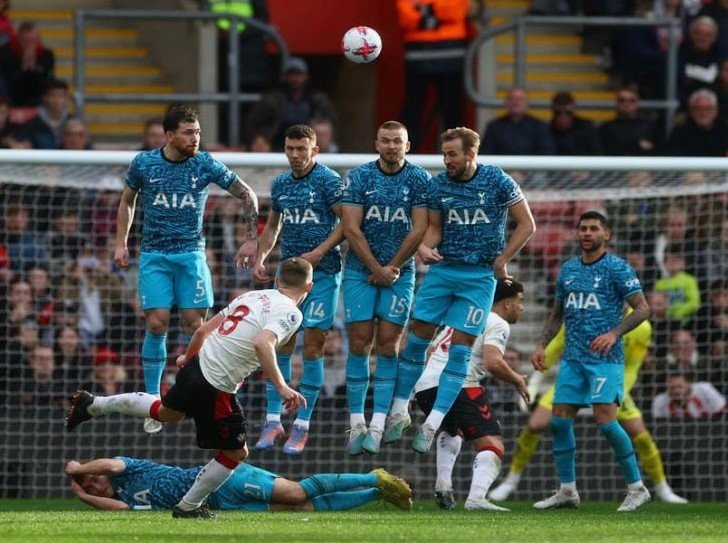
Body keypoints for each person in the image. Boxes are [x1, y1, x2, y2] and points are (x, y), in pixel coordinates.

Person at [65, 257, 313, 519]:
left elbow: (203, 330)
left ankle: (95, 404)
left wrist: (187, 357)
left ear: (276, 281)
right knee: (236, 452)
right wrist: (283, 386)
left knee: (166, 413)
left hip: (197, 366)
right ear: (308, 287)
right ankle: (188, 506)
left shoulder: (253, 295)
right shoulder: (291, 313)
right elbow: (263, 343)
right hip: (217, 384)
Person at [382, 126, 535, 454]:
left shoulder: (497, 180)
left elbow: (527, 224)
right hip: (444, 272)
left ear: (471, 154)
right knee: (416, 339)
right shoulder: (438, 185)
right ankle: (398, 412)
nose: (447, 159)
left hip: (480, 278)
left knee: (461, 351)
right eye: (444, 153)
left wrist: (503, 260)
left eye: (453, 154)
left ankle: (432, 424)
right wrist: (424, 248)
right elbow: (434, 229)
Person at [113, 104, 260, 435]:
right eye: (188, 132)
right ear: (169, 135)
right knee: (156, 323)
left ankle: (208, 395)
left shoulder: (204, 163)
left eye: (198, 132)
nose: (195, 138)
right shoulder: (145, 163)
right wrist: (121, 242)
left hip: (192, 255)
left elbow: (246, 192)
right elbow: (127, 199)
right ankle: (153, 398)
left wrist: (252, 239)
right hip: (154, 255)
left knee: (197, 325)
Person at [489, 319, 688, 504]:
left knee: (639, 433)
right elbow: (556, 345)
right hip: (576, 378)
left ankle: (662, 488)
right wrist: (535, 382)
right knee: (536, 424)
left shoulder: (640, 326)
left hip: (612, 380)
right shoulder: (582, 312)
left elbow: (633, 365)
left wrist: (617, 391)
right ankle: (511, 480)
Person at [531, 210, 652, 512]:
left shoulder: (617, 268)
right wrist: (542, 344)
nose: (587, 233)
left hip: (605, 359)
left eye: (593, 229)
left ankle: (637, 488)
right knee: (559, 421)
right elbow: (558, 314)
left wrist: (614, 333)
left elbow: (642, 309)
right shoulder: (568, 270)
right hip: (573, 358)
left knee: (606, 423)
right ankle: (568, 490)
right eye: (583, 228)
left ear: (606, 234)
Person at [341, 121, 432, 455]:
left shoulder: (421, 179)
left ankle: (378, 423)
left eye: (398, 141)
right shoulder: (360, 176)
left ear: (407, 146)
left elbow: (418, 229)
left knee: (389, 345)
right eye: (386, 141)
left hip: (399, 272)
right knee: (359, 343)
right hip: (359, 271)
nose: (392, 146)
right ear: (375, 144)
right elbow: (351, 228)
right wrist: (375, 268)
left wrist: (390, 267)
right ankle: (356, 422)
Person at [253, 124, 344, 455]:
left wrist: (319, 253)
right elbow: (274, 225)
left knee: (313, 347)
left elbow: (348, 223)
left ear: (314, 151)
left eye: (301, 149)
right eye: (290, 149)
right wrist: (262, 255)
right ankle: (273, 420)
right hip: (288, 275)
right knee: (280, 344)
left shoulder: (329, 182)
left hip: (323, 274)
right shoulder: (280, 184)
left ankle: (302, 426)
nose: (294, 155)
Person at [414, 279, 530, 511]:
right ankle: (476, 499)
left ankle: (444, 485)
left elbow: (430, 350)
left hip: (424, 386)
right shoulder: (497, 322)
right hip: (459, 384)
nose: (522, 307)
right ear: (506, 303)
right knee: (493, 443)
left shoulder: (464, 315)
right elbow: (493, 361)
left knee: (454, 430)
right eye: (520, 301)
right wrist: (517, 379)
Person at [65, 457, 412, 512]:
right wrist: (80, 493)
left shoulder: (127, 470)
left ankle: (374, 475)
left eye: (93, 479)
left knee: (295, 491)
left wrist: (78, 469)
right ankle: (378, 491)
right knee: (301, 508)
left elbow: (109, 464)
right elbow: (122, 509)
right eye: (90, 486)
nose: (95, 483)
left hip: (222, 478)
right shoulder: (125, 498)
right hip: (220, 504)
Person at [396, 0, 470, 152]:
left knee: (451, 110)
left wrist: (425, 10)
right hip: (417, 55)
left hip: (451, 56)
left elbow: (456, 11)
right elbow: (405, 17)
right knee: (413, 110)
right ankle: (404, 155)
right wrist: (439, 14)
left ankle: (455, 154)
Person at [244, 57, 337, 150]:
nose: (295, 79)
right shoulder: (272, 99)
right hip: (277, 143)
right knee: (260, 143)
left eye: (298, 74)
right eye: (291, 75)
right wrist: (259, 138)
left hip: (308, 142)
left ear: (306, 77)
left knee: (322, 130)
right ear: (285, 77)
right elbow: (252, 123)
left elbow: (331, 121)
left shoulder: (317, 98)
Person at [481, 87, 555, 156]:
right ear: (506, 102)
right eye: (512, 99)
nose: (516, 102)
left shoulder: (539, 127)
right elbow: (486, 154)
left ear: (527, 103)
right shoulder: (494, 127)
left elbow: (547, 153)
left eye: (520, 99)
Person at [0, 21, 55, 107]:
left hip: (37, 98)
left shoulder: (46, 55)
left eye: (33, 40)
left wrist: (34, 69)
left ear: (38, 40)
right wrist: (22, 68)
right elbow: (7, 83)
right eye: (25, 41)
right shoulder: (5, 52)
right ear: (18, 39)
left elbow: (47, 82)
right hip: (11, 97)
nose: (29, 45)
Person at [663, 88, 728, 157]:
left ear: (716, 111)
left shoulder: (725, 133)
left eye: (708, 108)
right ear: (691, 111)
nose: (703, 113)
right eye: (698, 108)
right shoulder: (679, 133)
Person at [598, 87, 657, 156]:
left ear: (638, 103)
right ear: (616, 103)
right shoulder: (606, 128)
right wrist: (636, 145)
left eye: (632, 100)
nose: (626, 104)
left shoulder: (650, 127)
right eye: (622, 100)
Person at [652, 372, 726, 419]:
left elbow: (723, 411)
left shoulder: (705, 389)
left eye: (680, 386)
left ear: (689, 384)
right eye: (672, 388)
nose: (676, 391)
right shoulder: (660, 401)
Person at [549, 91, 601, 156]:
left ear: (574, 110)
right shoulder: (547, 131)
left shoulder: (586, 128)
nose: (563, 116)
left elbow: (596, 152)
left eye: (568, 113)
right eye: (558, 113)